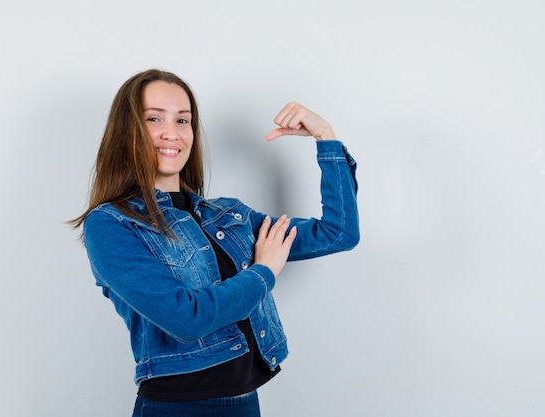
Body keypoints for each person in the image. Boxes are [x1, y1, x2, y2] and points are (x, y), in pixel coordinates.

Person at [70, 69, 360, 417]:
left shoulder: (228, 215)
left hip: (244, 404)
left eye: (183, 120)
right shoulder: (111, 224)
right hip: (175, 409)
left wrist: (325, 137)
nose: (171, 133)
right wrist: (263, 271)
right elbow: (186, 318)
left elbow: (338, 232)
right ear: (127, 131)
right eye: (153, 118)